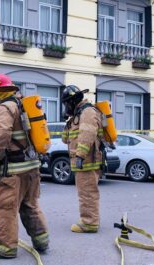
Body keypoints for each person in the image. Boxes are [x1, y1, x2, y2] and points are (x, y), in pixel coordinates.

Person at [0, 74, 49, 259]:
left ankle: (5, 248)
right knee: (30, 205)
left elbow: (2, 134)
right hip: (32, 167)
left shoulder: (6, 107)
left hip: (13, 170)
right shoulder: (23, 105)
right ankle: (42, 242)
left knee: (4, 207)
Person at [61, 85, 104, 233]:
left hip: (87, 162)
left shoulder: (87, 112)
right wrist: (68, 121)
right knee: (85, 192)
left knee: (87, 193)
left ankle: (89, 223)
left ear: (72, 101)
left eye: (67, 103)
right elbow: (65, 140)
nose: (66, 106)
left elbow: (87, 134)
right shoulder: (78, 114)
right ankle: (90, 219)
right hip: (83, 162)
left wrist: (80, 155)